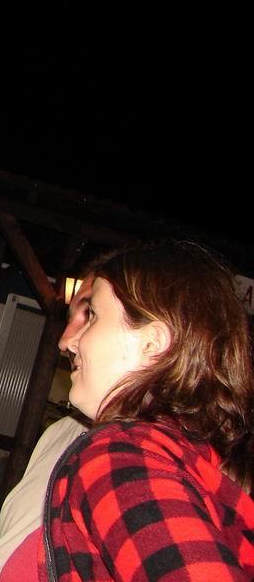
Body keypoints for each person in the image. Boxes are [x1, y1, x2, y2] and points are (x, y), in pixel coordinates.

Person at [40, 240, 254, 581]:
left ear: (152, 343)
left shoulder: (121, 456)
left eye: (93, 316)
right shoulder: (186, 453)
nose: (70, 342)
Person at [0, 274, 94, 582]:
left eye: (91, 315)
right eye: (71, 318)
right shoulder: (61, 431)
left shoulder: (151, 462)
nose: (64, 341)